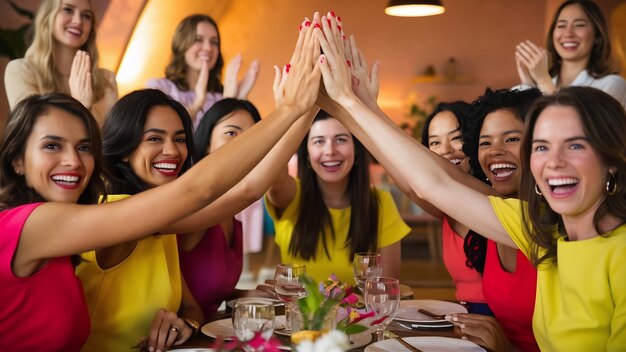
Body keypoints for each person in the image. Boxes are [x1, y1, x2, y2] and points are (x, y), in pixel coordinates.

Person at [0, 19, 321, 351]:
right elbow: (222, 190)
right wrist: (294, 108)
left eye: (84, 147)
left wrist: (186, 322)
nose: (73, 161)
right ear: (16, 161)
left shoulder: (132, 219)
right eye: (52, 146)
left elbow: (191, 303)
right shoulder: (40, 223)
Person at [315, 16, 625, 350]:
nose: (554, 162)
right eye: (541, 147)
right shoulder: (540, 227)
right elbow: (432, 182)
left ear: (613, 159)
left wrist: (352, 105)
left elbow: (432, 182)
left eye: (575, 144)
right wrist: (348, 105)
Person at [178, 97, 310, 320]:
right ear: (206, 143)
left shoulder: (233, 214)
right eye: (231, 133)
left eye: (253, 136)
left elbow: (207, 294)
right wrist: (303, 106)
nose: (246, 145)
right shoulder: (196, 202)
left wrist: (243, 294)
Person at [265, 109, 411, 285]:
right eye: (319, 141)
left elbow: (385, 289)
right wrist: (293, 109)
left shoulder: (380, 202)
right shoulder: (291, 196)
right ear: (307, 153)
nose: (330, 151)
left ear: (356, 149)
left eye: (341, 140)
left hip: (362, 313)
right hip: (301, 313)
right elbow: (273, 173)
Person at [4, 0, 118, 127]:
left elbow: (111, 142)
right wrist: (81, 105)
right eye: (68, 10)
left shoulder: (107, 80)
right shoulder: (21, 70)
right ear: (48, 16)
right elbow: (32, 131)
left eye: (86, 15)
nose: (78, 21)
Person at [146, 14, 259, 129]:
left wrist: (240, 99)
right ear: (181, 44)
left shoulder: (221, 95)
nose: (208, 48)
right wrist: (198, 103)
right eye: (198, 40)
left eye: (214, 42)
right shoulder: (160, 89)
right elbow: (166, 132)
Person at [515, 0, 626, 108]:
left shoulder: (613, 84)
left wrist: (543, 80)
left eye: (579, 25)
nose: (568, 33)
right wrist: (529, 84)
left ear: (597, 36)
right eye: (561, 26)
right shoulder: (543, 82)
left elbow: (579, 126)